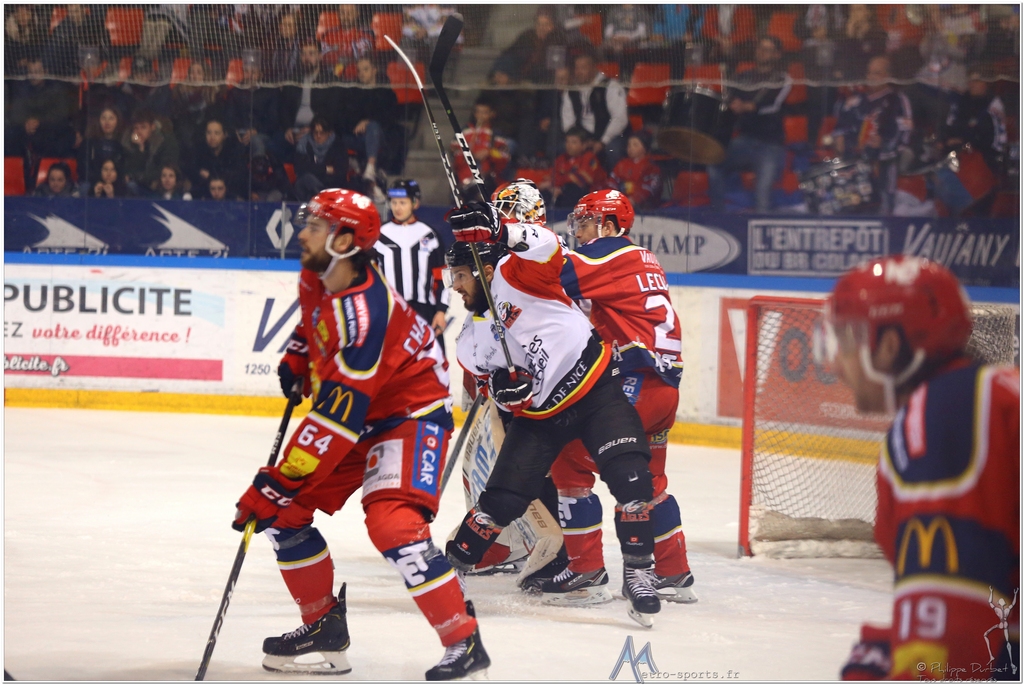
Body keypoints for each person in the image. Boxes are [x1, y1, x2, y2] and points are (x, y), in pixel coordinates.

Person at [232, 189, 488, 680]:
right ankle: (323, 627)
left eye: (316, 226)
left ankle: (464, 641)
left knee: (393, 526)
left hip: (410, 414)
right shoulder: (318, 271)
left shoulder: (366, 315)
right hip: (364, 411)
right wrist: (299, 353)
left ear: (346, 241)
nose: (303, 234)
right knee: (286, 514)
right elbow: (312, 319)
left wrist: (279, 480)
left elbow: (335, 419)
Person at [443, 181, 665, 628]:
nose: (456, 287)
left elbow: (547, 245)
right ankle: (450, 572)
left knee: (631, 477)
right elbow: (491, 384)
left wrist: (502, 231)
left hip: (597, 391)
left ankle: (639, 573)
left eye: (461, 276)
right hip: (542, 417)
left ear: (484, 269)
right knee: (500, 501)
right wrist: (506, 391)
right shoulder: (470, 340)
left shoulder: (517, 273)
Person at [821, 255, 1019, 680]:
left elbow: (952, 639)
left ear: (890, 346)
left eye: (849, 339)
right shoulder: (980, 395)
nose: (834, 364)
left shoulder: (943, 416)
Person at [541, 189, 694, 607]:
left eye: (585, 223)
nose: (579, 232)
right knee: (652, 481)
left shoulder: (608, 253)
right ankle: (674, 571)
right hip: (663, 391)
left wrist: (515, 240)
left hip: (634, 386)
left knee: (569, 459)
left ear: (608, 226)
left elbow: (551, 275)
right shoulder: (643, 259)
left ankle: (586, 571)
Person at [708, 36, 791, 213]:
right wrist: (732, 104)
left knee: (762, 196)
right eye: (760, 48)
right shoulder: (743, 77)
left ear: (777, 55)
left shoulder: (782, 79)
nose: (762, 52)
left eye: (767, 49)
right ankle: (718, 215)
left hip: (770, 145)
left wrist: (746, 106)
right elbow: (730, 97)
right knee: (713, 161)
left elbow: (773, 104)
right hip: (745, 141)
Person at [373, 179, 450, 351]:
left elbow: (443, 277)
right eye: (394, 202)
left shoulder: (430, 235)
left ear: (415, 203)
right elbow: (372, 278)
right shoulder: (379, 235)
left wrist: (441, 311)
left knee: (431, 362)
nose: (397, 207)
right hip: (390, 312)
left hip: (425, 313)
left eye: (403, 203)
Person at [831, 55, 912, 215]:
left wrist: (884, 143)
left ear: (888, 76)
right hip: (853, 168)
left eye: (877, 73)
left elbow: (905, 133)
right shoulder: (854, 101)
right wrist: (839, 140)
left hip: (882, 166)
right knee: (849, 209)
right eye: (869, 73)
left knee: (883, 209)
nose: (871, 77)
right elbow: (840, 127)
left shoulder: (897, 100)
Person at [561, 52, 629, 169]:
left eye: (583, 68)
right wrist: (578, 141)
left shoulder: (611, 86)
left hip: (610, 135)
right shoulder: (571, 91)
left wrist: (602, 141)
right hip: (583, 136)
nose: (579, 72)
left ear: (593, 68)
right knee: (560, 147)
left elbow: (620, 118)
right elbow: (568, 121)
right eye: (577, 68)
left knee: (613, 150)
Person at [450, 98, 511, 199]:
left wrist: (489, 153)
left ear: (492, 114)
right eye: (478, 112)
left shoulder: (496, 134)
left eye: (485, 113)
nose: (481, 116)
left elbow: (505, 156)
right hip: (465, 178)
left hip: (489, 179)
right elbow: (454, 154)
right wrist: (468, 154)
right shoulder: (464, 132)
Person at [121, 108, 180, 196]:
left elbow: (164, 169)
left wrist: (138, 177)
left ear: (152, 127)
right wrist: (140, 149)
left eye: (143, 127)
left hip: (160, 186)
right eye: (136, 128)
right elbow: (130, 169)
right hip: (141, 185)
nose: (139, 132)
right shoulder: (130, 144)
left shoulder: (164, 142)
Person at [292, 116, 351, 202]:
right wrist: (325, 169)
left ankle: (323, 198)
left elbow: (340, 171)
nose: (318, 136)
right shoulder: (304, 145)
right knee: (307, 179)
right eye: (315, 132)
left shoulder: (338, 146)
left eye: (322, 133)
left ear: (329, 133)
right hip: (308, 188)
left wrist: (314, 169)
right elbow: (300, 168)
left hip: (332, 187)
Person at [550, 126, 607, 208]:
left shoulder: (589, 158)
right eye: (567, 141)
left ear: (584, 145)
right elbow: (553, 178)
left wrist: (563, 181)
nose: (569, 145)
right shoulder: (561, 159)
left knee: (571, 189)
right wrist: (561, 183)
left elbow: (583, 180)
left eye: (574, 142)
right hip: (563, 192)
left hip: (592, 198)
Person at [188, 118, 241, 200]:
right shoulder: (199, 151)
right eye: (209, 133)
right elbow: (194, 174)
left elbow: (235, 177)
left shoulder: (233, 152)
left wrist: (210, 176)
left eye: (217, 133)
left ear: (224, 135)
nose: (212, 137)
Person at [609, 130, 662, 210]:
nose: (631, 148)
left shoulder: (651, 166)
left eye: (635, 145)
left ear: (645, 148)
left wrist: (634, 200)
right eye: (629, 145)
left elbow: (648, 188)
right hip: (621, 202)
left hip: (643, 205)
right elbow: (612, 181)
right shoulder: (622, 164)